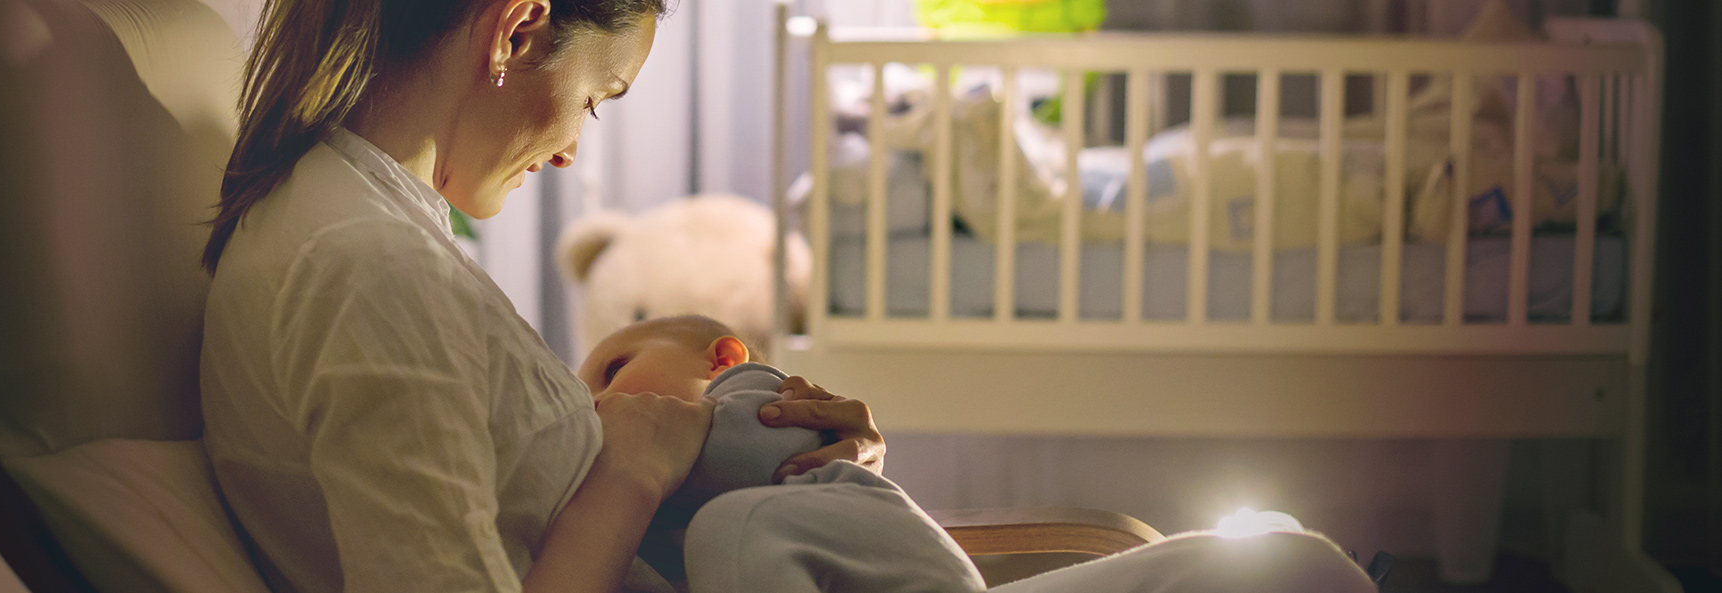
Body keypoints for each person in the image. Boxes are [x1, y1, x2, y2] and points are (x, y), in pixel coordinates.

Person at [196, 0, 881, 593]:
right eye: (593, 98)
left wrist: (801, 462)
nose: (568, 153)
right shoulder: (370, 266)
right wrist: (635, 474)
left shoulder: (371, 225)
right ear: (517, 29)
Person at [581, 316, 1383, 593]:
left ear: (723, 358)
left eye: (612, 370)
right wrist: (628, 479)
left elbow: (773, 450)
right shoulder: (605, 480)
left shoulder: (753, 396)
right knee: (736, 531)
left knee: (1293, 564)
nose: (597, 399)